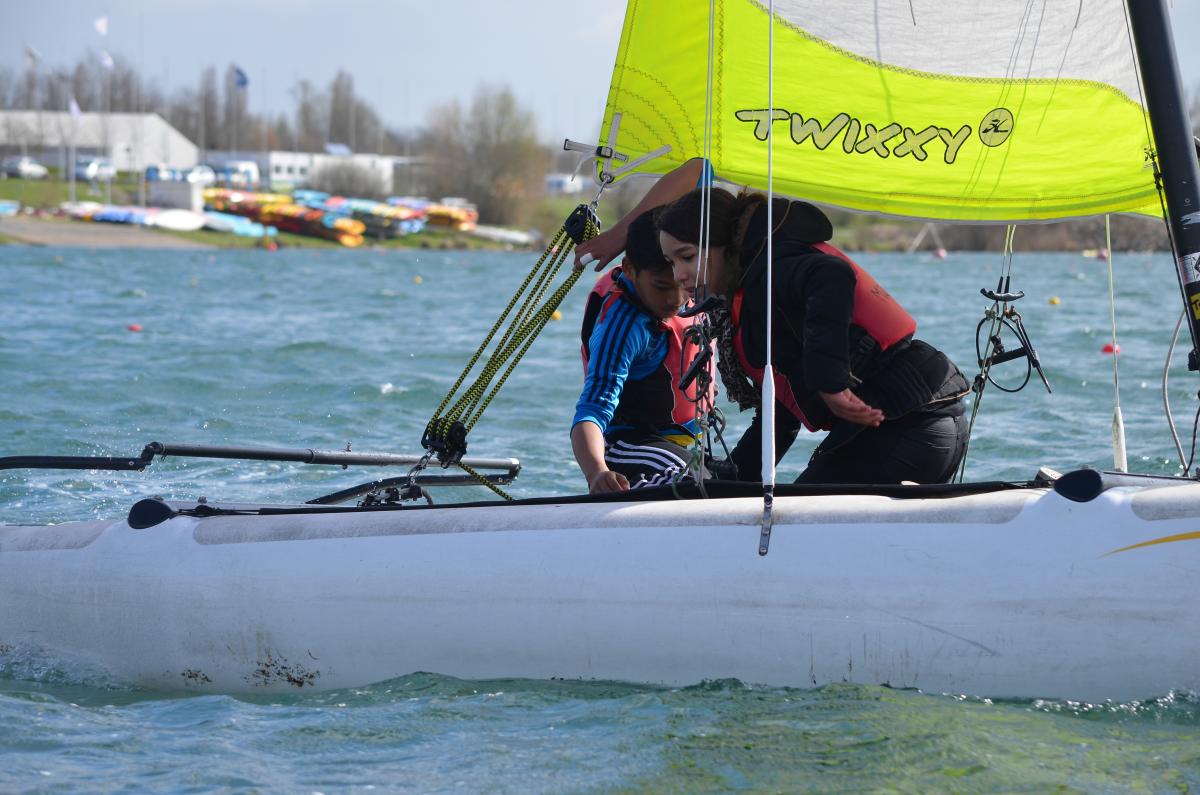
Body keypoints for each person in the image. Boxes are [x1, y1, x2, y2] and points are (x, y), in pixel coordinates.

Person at [653, 185, 971, 485]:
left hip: (909, 423)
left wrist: (829, 380)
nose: (678, 275)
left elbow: (831, 275)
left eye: (687, 256)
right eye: (671, 262)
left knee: (795, 520)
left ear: (723, 244)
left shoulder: (770, 268)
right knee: (792, 506)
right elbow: (781, 414)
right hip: (930, 421)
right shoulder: (754, 287)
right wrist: (733, 478)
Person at [572, 209, 715, 494]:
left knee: (729, 479)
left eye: (681, 284)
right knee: (696, 483)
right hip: (629, 446)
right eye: (661, 287)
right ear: (629, 269)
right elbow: (591, 410)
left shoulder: (692, 287)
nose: (675, 299)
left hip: (682, 446)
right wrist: (597, 472)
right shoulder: (623, 327)